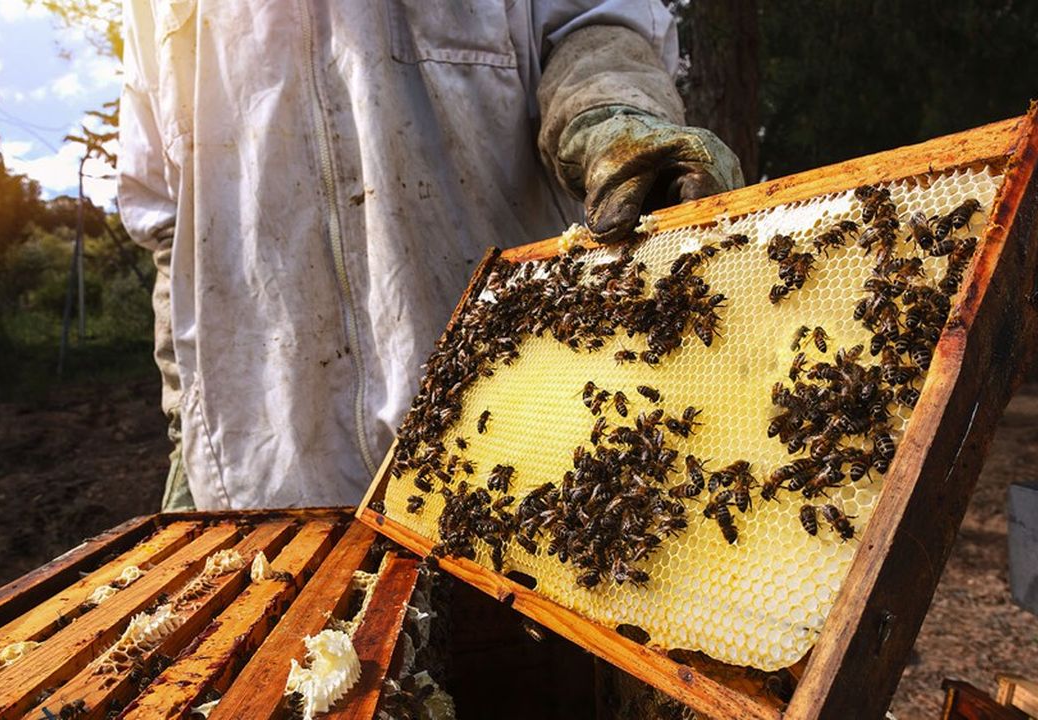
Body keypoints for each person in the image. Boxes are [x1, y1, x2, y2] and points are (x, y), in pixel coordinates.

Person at [118, 0, 743, 511]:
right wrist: (188, 427)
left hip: (528, 444)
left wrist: (609, 116)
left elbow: (594, 22)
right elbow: (170, 226)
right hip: (273, 473)